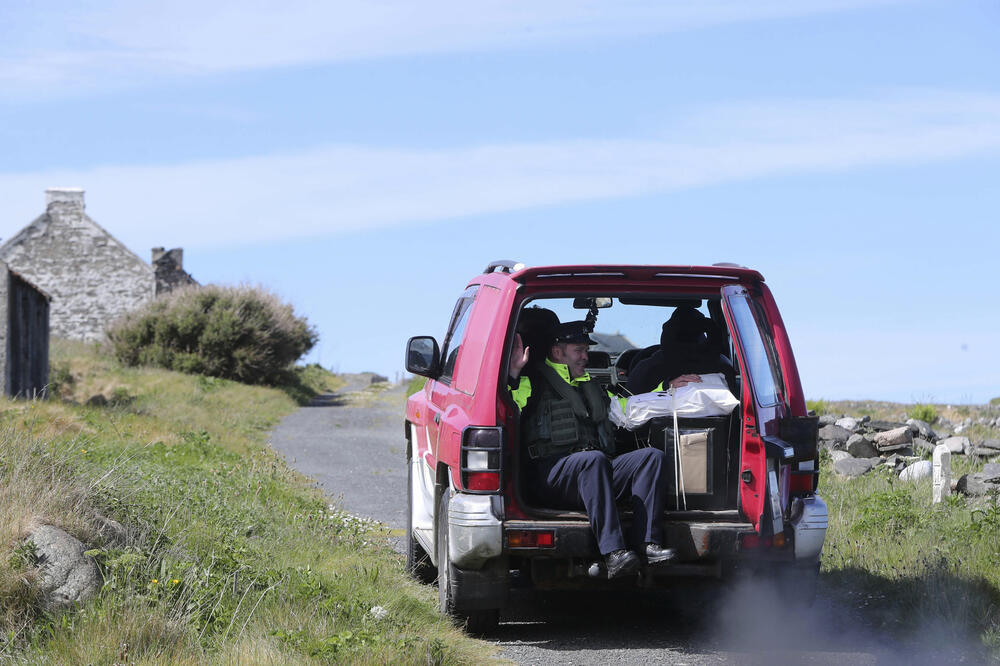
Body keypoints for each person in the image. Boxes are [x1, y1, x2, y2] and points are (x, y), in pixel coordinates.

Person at [508, 320, 677, 579]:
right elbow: (510, 406)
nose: (586, 357)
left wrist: (670, 388)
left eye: (586, 350)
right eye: (579, 350)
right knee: (593, 460)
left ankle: (647, 545)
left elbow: (629, 406)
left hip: (593, 472)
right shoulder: (533, 382)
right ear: (558, 352)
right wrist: (513, 374)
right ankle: (614, 553)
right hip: (551, 476)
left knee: (650, 458)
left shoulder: (591, 386)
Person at [626, 306, 736, 396]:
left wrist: (665, 387)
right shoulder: (724, 367)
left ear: (667, 333)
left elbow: (626, 408)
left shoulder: (647, 368)